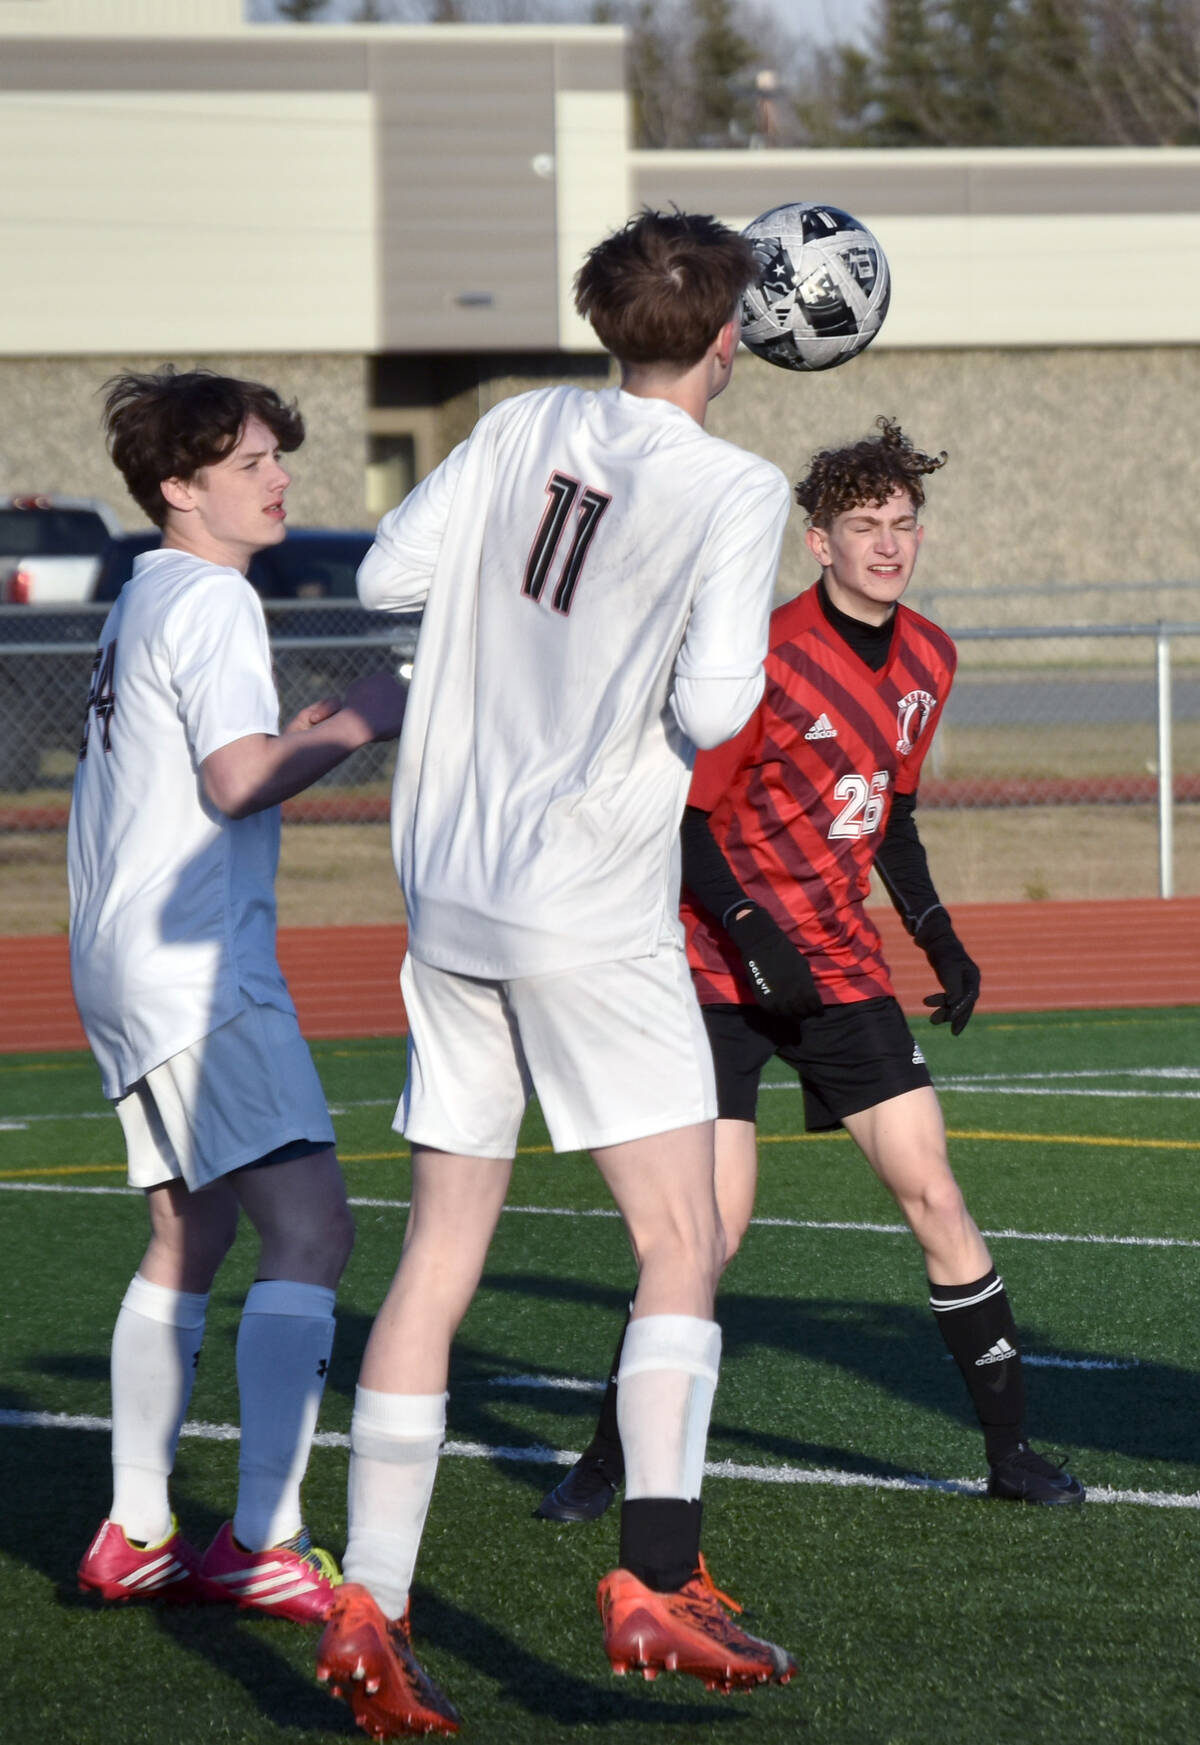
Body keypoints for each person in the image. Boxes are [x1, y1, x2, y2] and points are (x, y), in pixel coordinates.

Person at [314, 209, 795, 1739]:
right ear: (730, 339)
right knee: (682, 1234)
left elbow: (394, 576)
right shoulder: (735, 481)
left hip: (443, 885)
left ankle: (374, 1607)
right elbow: (720, 705)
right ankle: (657, 1572)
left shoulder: (523, 421)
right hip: (585, 894)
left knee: (436, 1258)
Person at [535, 419, 1084, 1525]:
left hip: (837, 967)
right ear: (816, 539)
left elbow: (891, 815)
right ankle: (604, 1460)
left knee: (935, 1193)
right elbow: (679, 827)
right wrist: (747, 932)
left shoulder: (931, 655)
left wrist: (936, 933)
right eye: (861, 525)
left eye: (901, 523)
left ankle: (1011, 1450)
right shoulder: (763, 654)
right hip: (713, 972)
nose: (886, 543)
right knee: (708, 1232)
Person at [70, 369, 405, 1621]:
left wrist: (302, 726)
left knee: (191, 1231)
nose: (279, 479)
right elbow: (231, 780)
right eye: (252, 460)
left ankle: (134, 1523)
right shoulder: (210, 596)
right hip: (198, 966)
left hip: (120, 961)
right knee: (314, 1228)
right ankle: (263, 1534)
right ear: (177, 485)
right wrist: (364, 717)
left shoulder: (148, 589)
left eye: (278, 457)